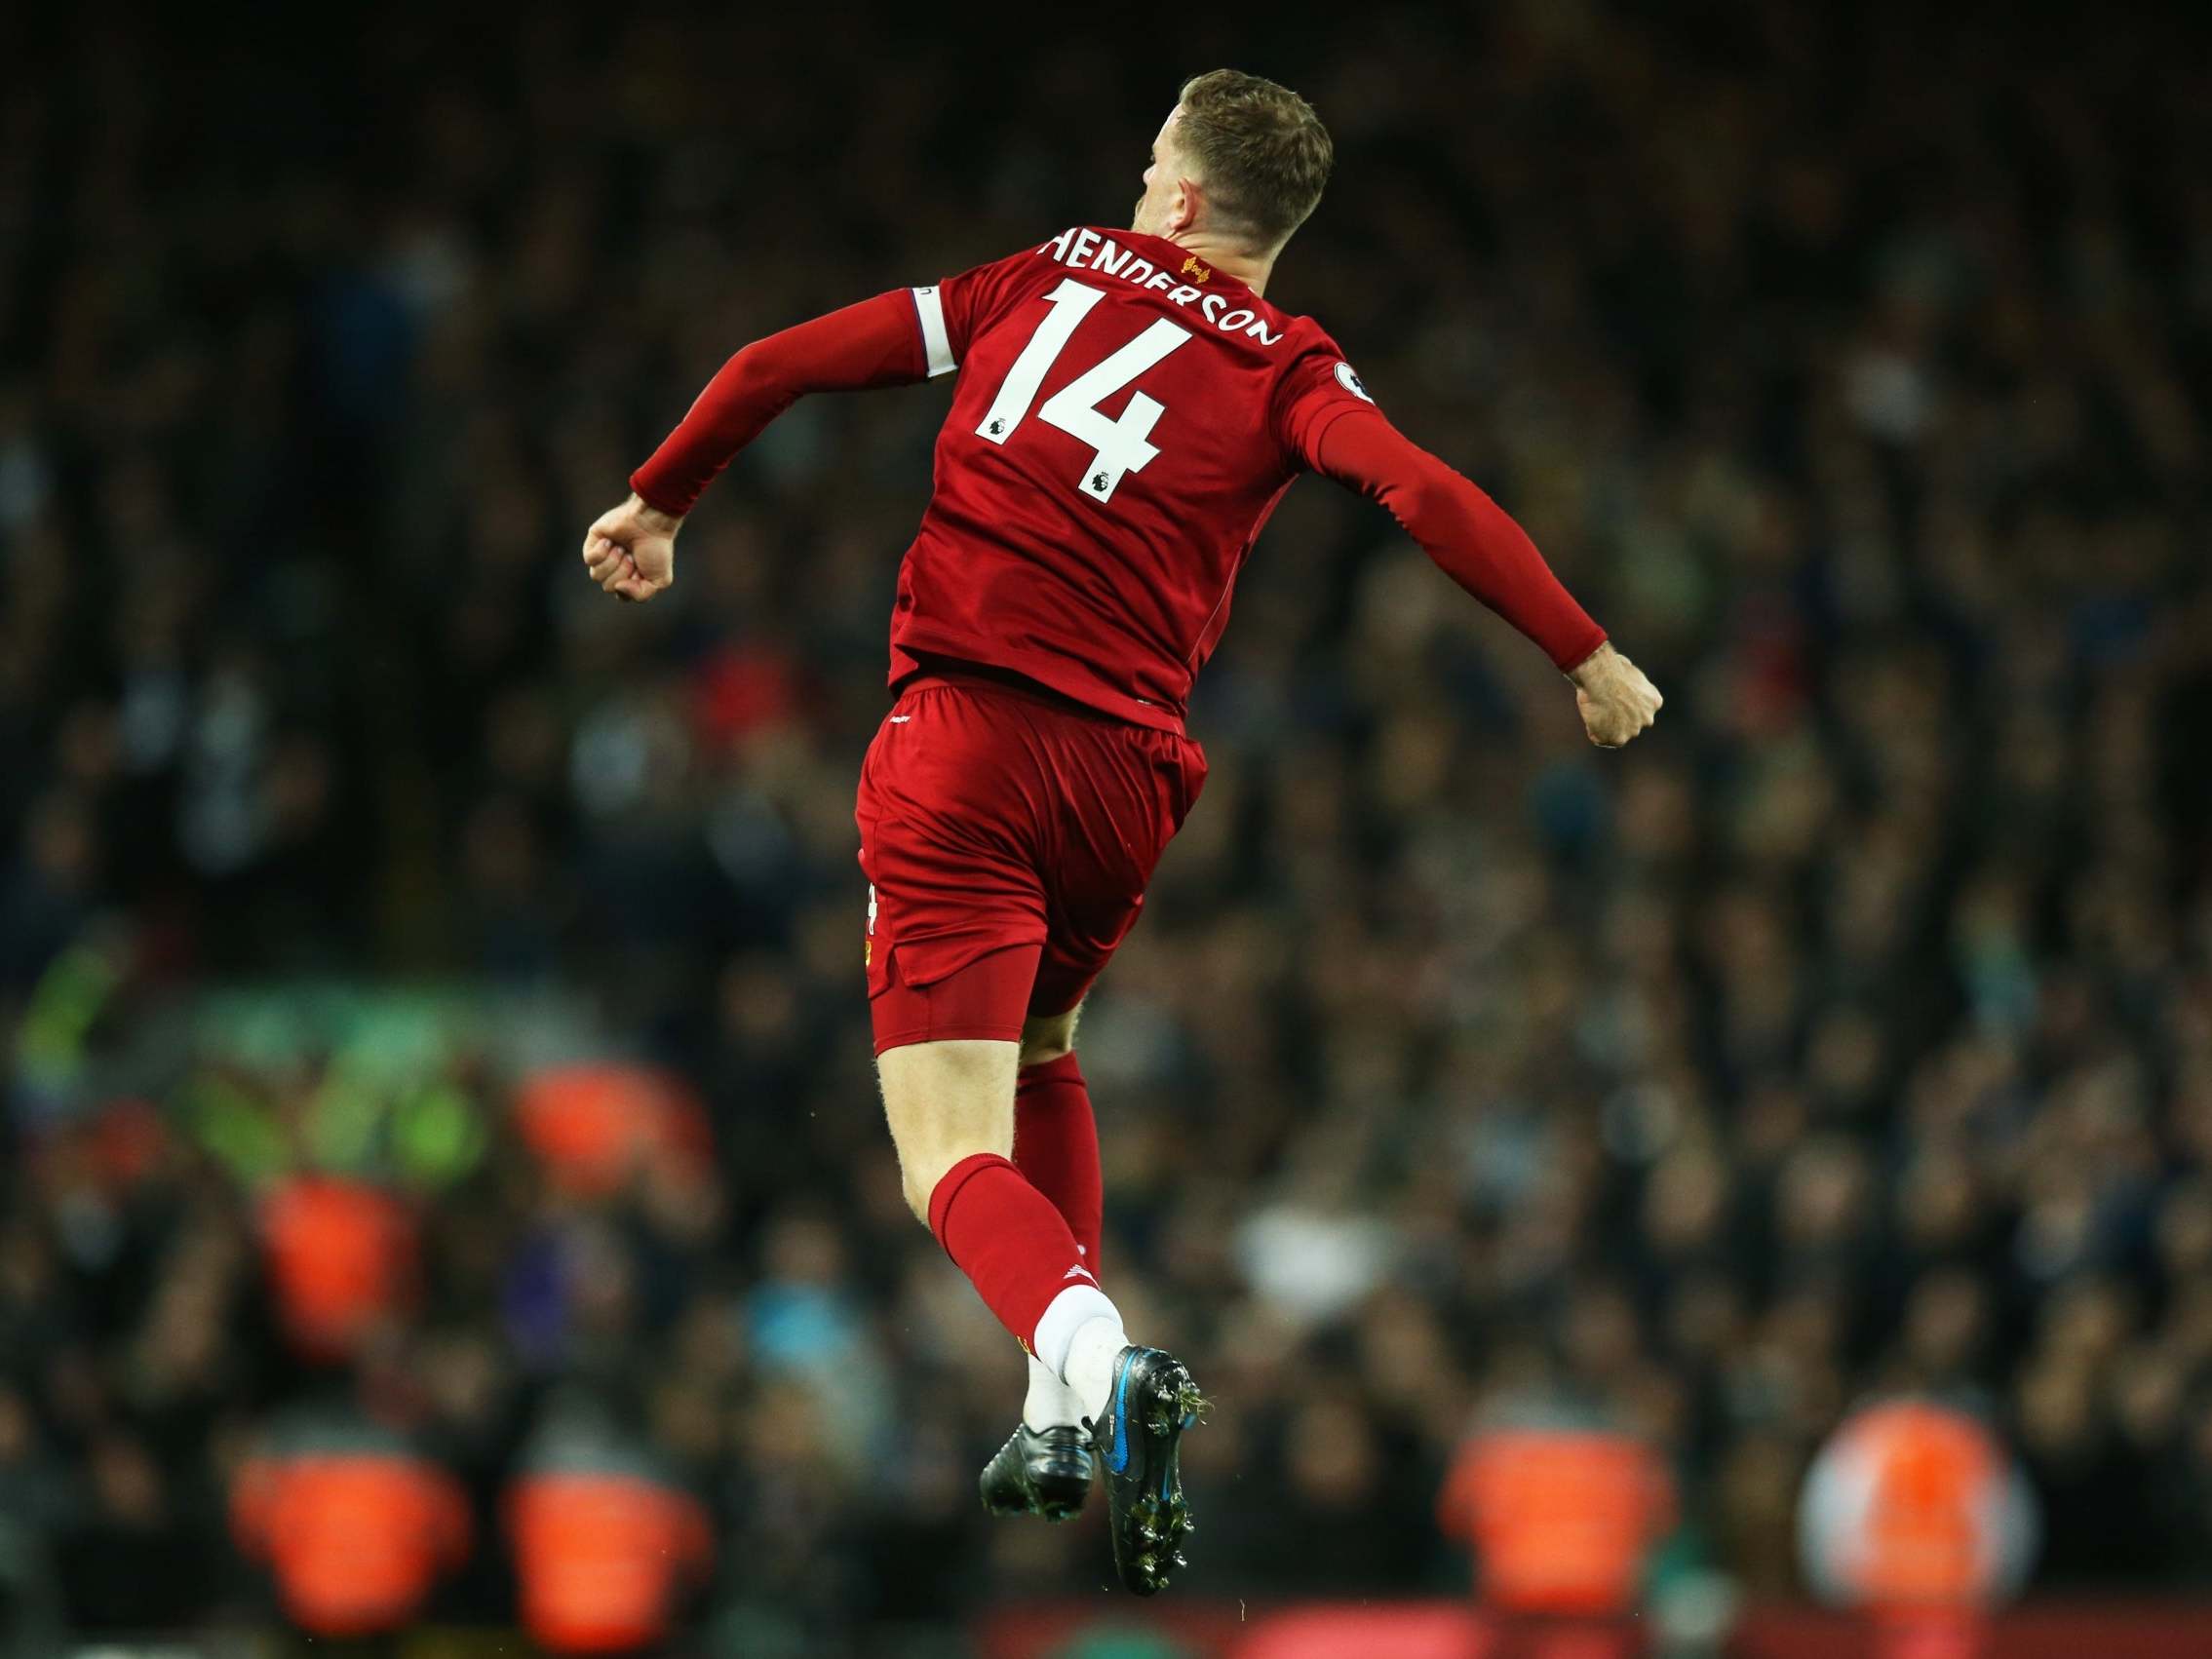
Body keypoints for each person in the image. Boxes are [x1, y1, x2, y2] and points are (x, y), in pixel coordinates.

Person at [581, 68, 1661, 1595]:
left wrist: (659, 501)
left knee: (940, 1153)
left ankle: (1101, 1357)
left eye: (1154, 153)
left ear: (1181, 197)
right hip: (1129, 779)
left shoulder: (1039, 274)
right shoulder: (1295, 368)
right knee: (1043, 1052)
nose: (1139, 170)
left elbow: (774, 364)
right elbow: (1420, 491)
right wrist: (1585, 651)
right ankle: (1055, 1400)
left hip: (963, 741)